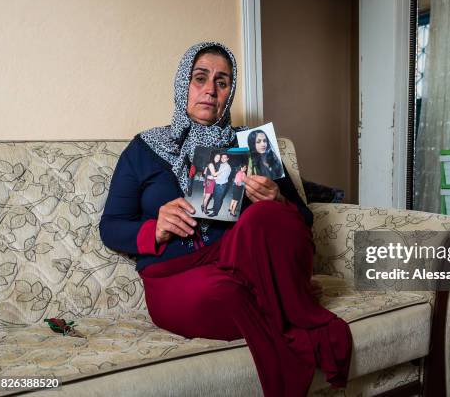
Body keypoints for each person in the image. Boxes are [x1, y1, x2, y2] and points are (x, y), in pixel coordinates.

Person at [99, 42, 352, 397]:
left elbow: (303, 221)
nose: (210, 89)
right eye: (200, 78)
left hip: (241, 262)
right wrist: (152, 227)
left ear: (229, 93)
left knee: (269, 216)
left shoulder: (253, 143)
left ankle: (279, 292)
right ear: (182, 85)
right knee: (220, 294)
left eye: (222, 82)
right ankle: (286, 298)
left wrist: (276, 198)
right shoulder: (144, 149)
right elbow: (110, 226)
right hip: (177, 276)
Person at [209, 153, 231, 217]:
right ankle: (214, 208)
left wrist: (212, 177)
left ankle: (215, 212)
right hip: (217, 184)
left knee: (218, 199)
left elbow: (222, 177)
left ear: (227, 159)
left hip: (221, 186)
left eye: (224, 157)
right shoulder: (222, 165)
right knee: (215, 197)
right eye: (222, 157)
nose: (222, 159)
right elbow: (218, 174)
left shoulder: (227, 167)